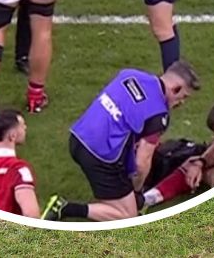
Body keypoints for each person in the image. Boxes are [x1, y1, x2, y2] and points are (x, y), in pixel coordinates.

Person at [41, 61, 201, 222]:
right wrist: (137, 191)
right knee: (128, 215)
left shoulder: (130, 75)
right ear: (176, 88)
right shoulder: (159, 115)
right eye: (183, 97)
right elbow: (142, 162)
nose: (181, 103)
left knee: (121, 193)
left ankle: (112, 198)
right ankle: (64, 208)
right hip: (100, 157)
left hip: (77, 138)